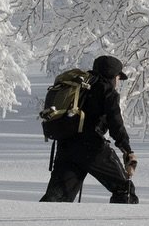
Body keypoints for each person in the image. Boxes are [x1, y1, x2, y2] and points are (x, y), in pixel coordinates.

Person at [40, 54, 139, 203]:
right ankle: (122, 225)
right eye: (118, 77)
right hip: (92, 148)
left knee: (57, 198)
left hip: (65, 146)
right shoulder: (107, 91)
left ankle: (37, 225)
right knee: (125, 189)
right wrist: (127, 149)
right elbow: (115, 124)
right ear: (113, 76)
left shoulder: (82, 86)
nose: (118, 81)